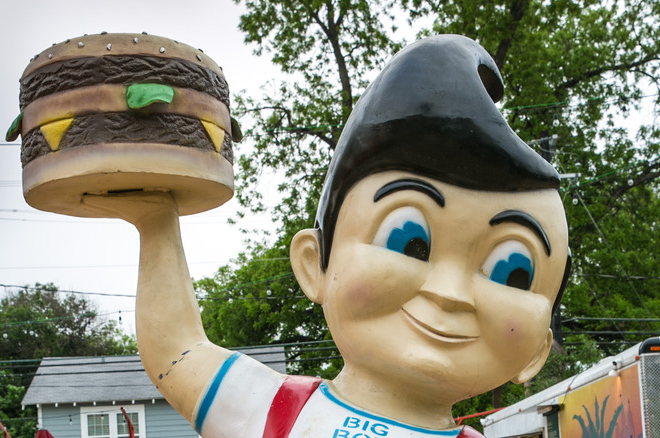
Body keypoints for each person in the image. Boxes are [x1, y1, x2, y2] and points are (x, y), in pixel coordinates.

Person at [83, 34, 570, 438]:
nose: (448, 293)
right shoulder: (276, 409)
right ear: (314, 264)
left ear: (536, 350)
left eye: (513, 271)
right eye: (408, 240)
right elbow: (178, 350)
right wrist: (156, 220)